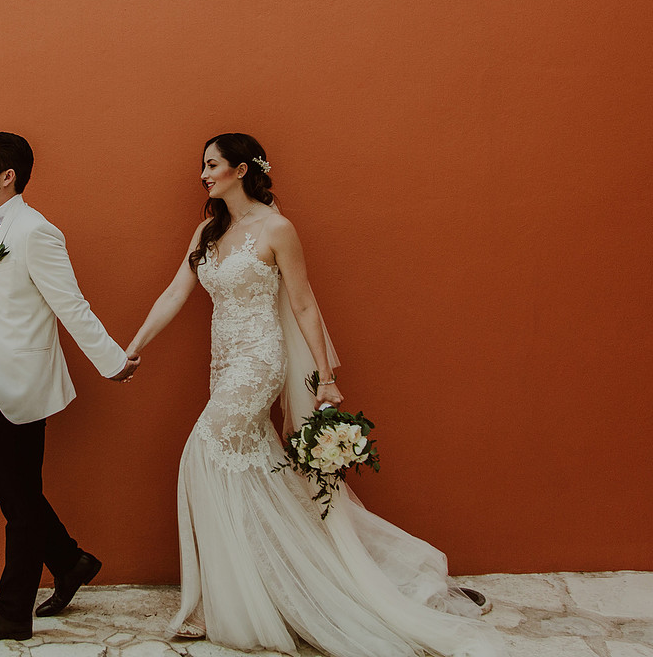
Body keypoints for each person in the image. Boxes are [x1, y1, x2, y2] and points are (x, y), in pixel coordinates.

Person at [124, 133, 503, 657]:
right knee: (258, 471)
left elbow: (303, 306)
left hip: (259, 360)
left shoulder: (277, 228)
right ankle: (274, 585)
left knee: (204, 453)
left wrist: (325, 378)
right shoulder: (208, 230)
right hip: (223, 363)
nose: (204, 174)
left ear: (240, 169)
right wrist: (134, 347)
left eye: (212, 165)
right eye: (203, 166)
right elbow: (175, 291)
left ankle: (230, 597)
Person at [0, 132, 140, 644]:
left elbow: (70, 304)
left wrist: (112, 361)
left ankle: (12, 611)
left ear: (7, 176)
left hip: (19, 381)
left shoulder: (36, 232)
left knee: (20, 498)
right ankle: (69, 561)